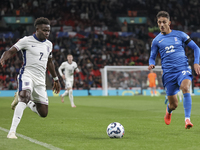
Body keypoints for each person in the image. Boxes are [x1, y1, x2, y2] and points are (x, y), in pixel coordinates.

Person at [0, 17, 61, 139]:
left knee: (43, 113)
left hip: (40, 80)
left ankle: (24, 100)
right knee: (25, 97)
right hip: (27, 74)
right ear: (37, 29)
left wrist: (56, 79)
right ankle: (12, 132)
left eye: (48, 30)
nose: (47, 33)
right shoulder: (26, 40)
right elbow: (11, 51)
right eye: (44, 30)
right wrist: (3, 57)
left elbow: (50, 62)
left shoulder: (49, 44)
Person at [148, 11, 200, 129]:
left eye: (164, 22)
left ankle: (187, 120)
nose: (161, 24)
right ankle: (169, 111)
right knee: (174, 104)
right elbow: (152, 57)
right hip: (168, 74)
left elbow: (196, 48)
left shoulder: (180, 35)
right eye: (159, 22)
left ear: (169, 23)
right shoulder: (156, 40)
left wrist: (196, 62)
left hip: (183, 68)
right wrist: (151, 64)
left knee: (186, 87)